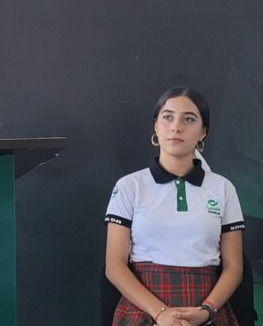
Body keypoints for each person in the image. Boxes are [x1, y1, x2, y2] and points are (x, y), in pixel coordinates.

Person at [105, 87, 245, 326]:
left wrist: (206, 311)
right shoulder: (130, 186)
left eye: (188, 119)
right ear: (156, 127)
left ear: (203, 132)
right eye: (168, 117)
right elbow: (114, 266)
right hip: (143, 309)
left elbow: (234, 267)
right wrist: (160, 313)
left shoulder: (223, 188)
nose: (176, 126)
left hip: (206, 309)